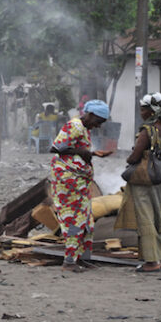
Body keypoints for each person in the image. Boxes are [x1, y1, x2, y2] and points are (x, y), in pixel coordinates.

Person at [49, 100, 112, 273]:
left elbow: (75, 149)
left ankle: (82, 259)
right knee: (74, 220)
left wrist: (92, 154)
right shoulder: (75, 125)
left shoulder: (84, 128)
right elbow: (56, 148)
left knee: (86, 221)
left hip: (79, 182)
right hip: (69, 181)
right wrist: (82, 152)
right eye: (98, 121)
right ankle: (69, 262)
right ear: (90, 115)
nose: (98, 126)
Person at [118, 95, 161, 273]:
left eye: (143, 109)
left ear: (152, 110)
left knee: (145, 216)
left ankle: (151, 261)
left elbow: (135, 156)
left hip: (145, 174)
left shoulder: (147, 129)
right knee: (160, 214)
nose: (141, 113)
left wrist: (129, 159)